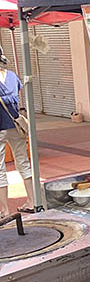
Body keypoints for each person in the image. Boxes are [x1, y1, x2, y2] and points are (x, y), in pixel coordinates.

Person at [0, 46, 35, 217]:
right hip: (15, 125)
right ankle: (31, 201)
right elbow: (17, 94)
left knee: (0, 169)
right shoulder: (13, 76)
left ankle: (5, 210)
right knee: (22, 161)